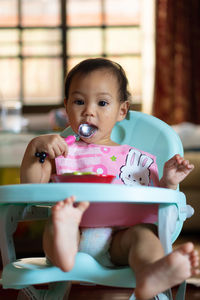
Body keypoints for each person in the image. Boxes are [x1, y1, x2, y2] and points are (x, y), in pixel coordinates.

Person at [20, 58, 199, 300]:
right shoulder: (62, 152)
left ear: (122, 110)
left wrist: (168, 181)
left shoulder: (136, 159)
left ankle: (152, 272)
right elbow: (31, 186)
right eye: (79, 101)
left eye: (102, 103)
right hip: (76, 233)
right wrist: (36, 149)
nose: (88, 111)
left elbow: (159, 203)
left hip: (120, 239)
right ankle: (64, 250)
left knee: (143, 235)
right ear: (66, 107)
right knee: (59, 220)